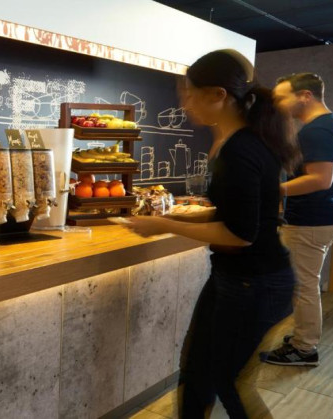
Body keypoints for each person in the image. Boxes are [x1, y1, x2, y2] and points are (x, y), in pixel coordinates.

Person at [124, 49, 301, 418]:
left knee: (230, 383)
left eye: (190, 94)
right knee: (197, 373)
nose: (185, 104)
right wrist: (180, 218)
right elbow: (234, 215)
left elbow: (240, 234)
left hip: (255, 283)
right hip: (235, 278)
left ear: (219, 95)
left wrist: (163, 224)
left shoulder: (241, 149)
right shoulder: (242, 142)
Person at [263, 73, 333, 366]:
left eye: (281, 98)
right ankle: (303, 338)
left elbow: (321, 179)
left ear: (305, 96)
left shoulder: (317, 130)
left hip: (311, 220)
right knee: (305, 284)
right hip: (324, 216)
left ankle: (304, 348)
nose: (277, 104)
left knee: (303, 286)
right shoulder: (332, 123)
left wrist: (271, 189)